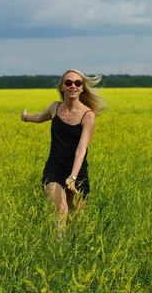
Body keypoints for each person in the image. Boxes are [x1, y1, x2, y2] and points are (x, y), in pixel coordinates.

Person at [21, 69, 104, 232]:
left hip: (77, 172)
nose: (73, 86)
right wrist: (26, 117)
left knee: (76, 222)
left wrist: (73, 177)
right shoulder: (55, 107)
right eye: (69, 83)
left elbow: (81, 149)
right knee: (60, 212)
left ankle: (73, 253)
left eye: (78, 83)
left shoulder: (88, 115)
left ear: (82, 88)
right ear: (62, 87)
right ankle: (57, 254)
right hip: (54, 170)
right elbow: (40, 117)